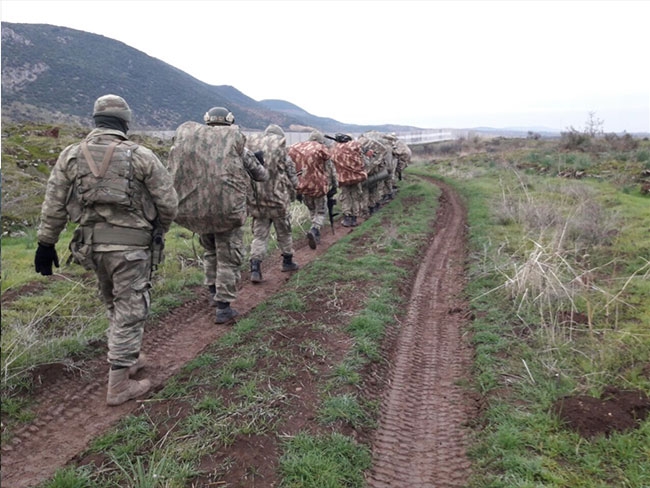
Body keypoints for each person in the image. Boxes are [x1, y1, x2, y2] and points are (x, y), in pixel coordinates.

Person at [34, 94, 179, 406]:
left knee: (113, 303)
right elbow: (168, 203)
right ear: (125, 122)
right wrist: (158, 231)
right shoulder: (141, 155)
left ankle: (128, 357)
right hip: (131, 248)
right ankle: (118, 386)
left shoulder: (71, 156)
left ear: (96, 122)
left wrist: (46, 243)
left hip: (92, 247)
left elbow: (54, 204)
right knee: (131, 309)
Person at [198, 107, 268, 322]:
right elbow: (261, 176)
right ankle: (223, 307)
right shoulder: (239, 148)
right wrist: (258, 162)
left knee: (210, 253)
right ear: (230, 123)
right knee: (228, 257)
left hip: (199, 210)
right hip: (229, 211)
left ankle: (212, 292)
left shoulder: (193, 147)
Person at [246, 124, 300, 282]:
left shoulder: (252, 151)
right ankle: (287, 262)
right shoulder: (281, 150)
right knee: (284, 232)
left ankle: (255, 267)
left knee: (260, 236)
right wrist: (297, 188)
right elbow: (291, 174)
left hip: (257, 201)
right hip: (277, 200)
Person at [289, 130, 338, 249]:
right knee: (321, 211)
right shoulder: (321, 148)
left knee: (311, 209)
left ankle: (315, 232)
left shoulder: (297, 148)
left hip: (302, 185)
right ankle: (315, 229)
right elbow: (330, 169)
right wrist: (334, 185)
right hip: (318, 185)